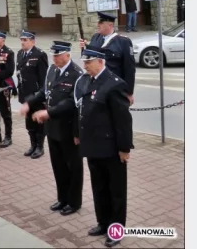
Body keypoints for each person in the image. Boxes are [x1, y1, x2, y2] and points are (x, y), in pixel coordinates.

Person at [74, 49, 133, 247]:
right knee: (98, 188)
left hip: (111, 148)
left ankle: (116, 230)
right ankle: (103, 223)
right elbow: (83, 111)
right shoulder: (88, 80)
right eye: (84, 62)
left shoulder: (115, 84)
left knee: (115, 191)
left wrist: (124, 149)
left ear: (100, 61)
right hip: (93, 146)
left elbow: (123, 122)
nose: (85, 66)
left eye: (88, 62)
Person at [23, 40, 85, 216]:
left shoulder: (77, 74)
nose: (54, 59)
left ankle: (74, 202)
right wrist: (30, 103)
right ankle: (62, 198)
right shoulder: (52, 70)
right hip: (52, 128)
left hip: (69, 129)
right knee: (58, 165)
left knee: (73, 167)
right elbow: (44, 92)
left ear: (67, 55)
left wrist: (49, 112)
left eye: (58, 55)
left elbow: (73, 103)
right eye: (53, 55)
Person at [80, 12, 136, 105]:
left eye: (101, 22)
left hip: (114, 88)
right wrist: (84, 48)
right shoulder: (95, 38)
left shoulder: (123, 41)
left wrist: (129, 92)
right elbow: (89, 60)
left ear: (110, 25)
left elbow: (129, 69)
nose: (98, 24)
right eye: (98, 21)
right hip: (95, 86)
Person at [16, 30, 49, 158]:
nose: (22, 42)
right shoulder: (20, 54)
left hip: (36, 95)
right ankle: (33, 145)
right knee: (29, 122)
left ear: (32, 41)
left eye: (25, 40)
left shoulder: (40, 55)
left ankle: (40, 147)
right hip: (25, 94)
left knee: (38, 123)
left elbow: (43, 78)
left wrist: (41, 96)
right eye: (21, 40)